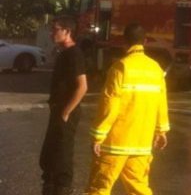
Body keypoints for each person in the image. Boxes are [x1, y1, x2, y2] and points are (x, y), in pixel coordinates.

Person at [84, 24, 170, 195]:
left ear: (124, 42)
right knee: (139, 187)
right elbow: (162, 101)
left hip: (115, 143)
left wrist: (98, 135)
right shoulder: (156, 69)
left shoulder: (120, 67)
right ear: (145, 41)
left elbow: (110, 104)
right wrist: (161, 130)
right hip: (142, 144)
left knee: (99, 188)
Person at [40, 15, 88, 195]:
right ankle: (49, 187)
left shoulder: (74, 54)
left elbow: (82, 86)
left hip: (66, 112)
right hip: (58, 110)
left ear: (67, 32)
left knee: (62, 156)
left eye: (56, 29)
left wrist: (66, 112)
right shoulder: (64, 53)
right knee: (50, 154)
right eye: (52, 29)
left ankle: (62, 190)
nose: (52, 33)